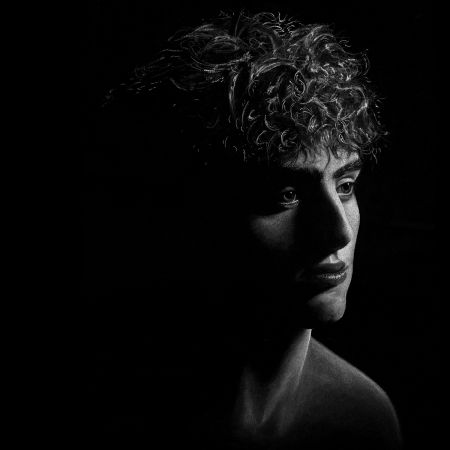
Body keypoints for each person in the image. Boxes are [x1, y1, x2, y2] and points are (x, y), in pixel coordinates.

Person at [101, 10, 403, 449]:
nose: (338, 233)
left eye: (346, 186)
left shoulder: (363, 425)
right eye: (286, 194)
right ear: (195, 215)